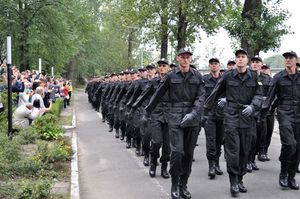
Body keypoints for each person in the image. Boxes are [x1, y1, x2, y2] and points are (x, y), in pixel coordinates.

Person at [145, 47, 205, 199]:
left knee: (188, 154)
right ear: (177, 58)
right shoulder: (171, 76)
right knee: (177, 152)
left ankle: (183, 185)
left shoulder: (197, 76)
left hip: (192, 119)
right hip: (175, 118)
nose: (185, 59)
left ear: (190, 59)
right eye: (182, 57)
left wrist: (193, 114)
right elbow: (157, 94)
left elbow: (201, 98)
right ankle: (174, 183)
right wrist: (148, 111)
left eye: (188, 57)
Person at [204, 49, 263, 197]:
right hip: (231, 117)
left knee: (244, 150)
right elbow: (216, 92)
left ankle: (240, 178)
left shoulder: (254, 76)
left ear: (247, 60)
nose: (241, 59)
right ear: (235, 60)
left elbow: (259, 95)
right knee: (233, 151)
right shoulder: (227, 76)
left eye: (243, 57)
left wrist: (253, 106)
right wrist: (205, 111)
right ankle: (233, 181)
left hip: (247, 118)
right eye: (238, 57)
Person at [261, 51, 300, 190]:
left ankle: (291, 177)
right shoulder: (278, 77)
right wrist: (263, 113)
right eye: (286, 58)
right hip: (284, 114)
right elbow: (270, 97)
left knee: (297, 148)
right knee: (290, 144)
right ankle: (283, 172)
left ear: (296, 60)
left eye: (291, 58)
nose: (288, 60)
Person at [203, 58, 224, 179]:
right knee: (211, 140)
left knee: (219, 140)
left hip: (222, 115)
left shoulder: (224, 78)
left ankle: (216, 163)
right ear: (209, 65)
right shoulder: (205, 79)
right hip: (209, 115)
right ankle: (211, 165)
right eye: (212, 64)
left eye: (216, 63)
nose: (214, 65)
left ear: (219, 65)